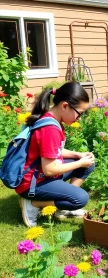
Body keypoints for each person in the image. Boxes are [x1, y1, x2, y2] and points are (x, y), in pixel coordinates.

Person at [16, 82, 95, 227]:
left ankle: (62, 207)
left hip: (39, 174)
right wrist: (79, 163)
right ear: (65, 106)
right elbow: (49, 169)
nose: (80, 118)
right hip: (32, 183)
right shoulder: (49, 129)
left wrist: (77, 155)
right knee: (80, 199)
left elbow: (53, 151)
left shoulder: (52, 120)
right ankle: (32, 203)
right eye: (80, 114)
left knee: (88, 164)